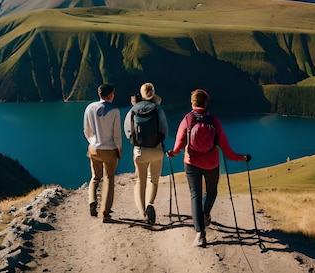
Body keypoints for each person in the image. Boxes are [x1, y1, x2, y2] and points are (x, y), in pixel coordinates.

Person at [166, 88, 251, 247]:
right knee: (211, 191)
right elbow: (227, 150)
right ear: (205, 102)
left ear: (192, 102)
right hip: (212, 163)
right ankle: (205, 214)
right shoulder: (214, 121)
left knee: (195, 195)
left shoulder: (187, 120)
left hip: (191, 163)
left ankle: (200, 234)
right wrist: (242, 158)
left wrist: (173, 153)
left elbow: (179, 144)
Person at [123, 82, 168, 224]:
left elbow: (127, 132)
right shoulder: (158, 109)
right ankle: (150, 205)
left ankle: (143, 212)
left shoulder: (133, 110)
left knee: (140, 181)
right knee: (153, 180)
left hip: (139, 151)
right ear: (153, 93)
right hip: (156, 150)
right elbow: (165, 131)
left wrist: (137, 142)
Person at [83, 83, 123, 223]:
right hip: (110, 150)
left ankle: (92, 202)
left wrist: (92, 142)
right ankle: (105, 212)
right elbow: (117, 134)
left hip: (94, 149)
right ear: (111, 94)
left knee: (95, 177)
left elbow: (86, 130)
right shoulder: (115, 111)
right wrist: (119, 148)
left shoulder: (89, 108)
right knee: (109, 178)